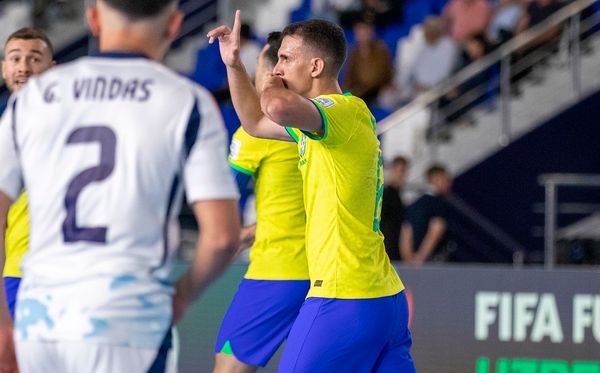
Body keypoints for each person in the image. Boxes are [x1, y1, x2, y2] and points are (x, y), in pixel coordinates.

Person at [0, 0, 241, 372]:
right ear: (174, 25)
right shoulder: (186, 101)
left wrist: (3, 322)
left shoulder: (32, 99)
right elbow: (223, 237)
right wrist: (182, 296)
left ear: (93, 18)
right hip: (129, 318)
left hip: (40, 317)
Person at [208, 11, 414, 372]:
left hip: (343, 294)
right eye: (278, 60)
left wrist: (268, 75)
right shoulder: (322, 121)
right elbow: (255, 122)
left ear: (316, 66)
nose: (279, 68)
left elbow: (273, 105)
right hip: (383, 297)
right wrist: (234, 65)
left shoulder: (339, 112)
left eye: (286, 59)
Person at [214, 32, 309, 373]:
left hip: (277, 271)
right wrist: (254, 228)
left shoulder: (255, 133)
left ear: (270, 73)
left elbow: (223, 195)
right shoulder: (319, 123)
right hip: (326, 274)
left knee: (228, 366)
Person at [1, 28, 55, 326]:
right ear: (4, 68)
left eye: (34, 58)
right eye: (15, 58)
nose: (23, 67)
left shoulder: (73, 126)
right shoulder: (5, 131)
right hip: (14, 274)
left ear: (52, 68)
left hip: (59, 274)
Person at [401, 164, 454, 266]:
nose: (449, 183)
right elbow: (435, 230)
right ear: (436, 178)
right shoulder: (439, 203)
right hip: (432, 262)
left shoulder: (413, 204)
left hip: (412, 262)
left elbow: (406, 231)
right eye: (446, 179)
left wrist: (408, 258)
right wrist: (420, 258)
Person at [343, 17, 394, 106]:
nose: (362, 34)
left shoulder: (381, 49)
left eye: (365, 30)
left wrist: (387, 85)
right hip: (360, 91)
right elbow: (349, 75)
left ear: (371, 32)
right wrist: (348, 90)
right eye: (359, 31)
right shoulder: (353, 52)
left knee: (388, 99)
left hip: (379, 89)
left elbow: (386, 71)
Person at [380, 156, 408, 261]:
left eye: (403, 171)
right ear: (392, 170)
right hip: (387, 249)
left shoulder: (397, 195)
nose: (400, 175)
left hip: (394, 249)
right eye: (398, 170)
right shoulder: (386, 194)